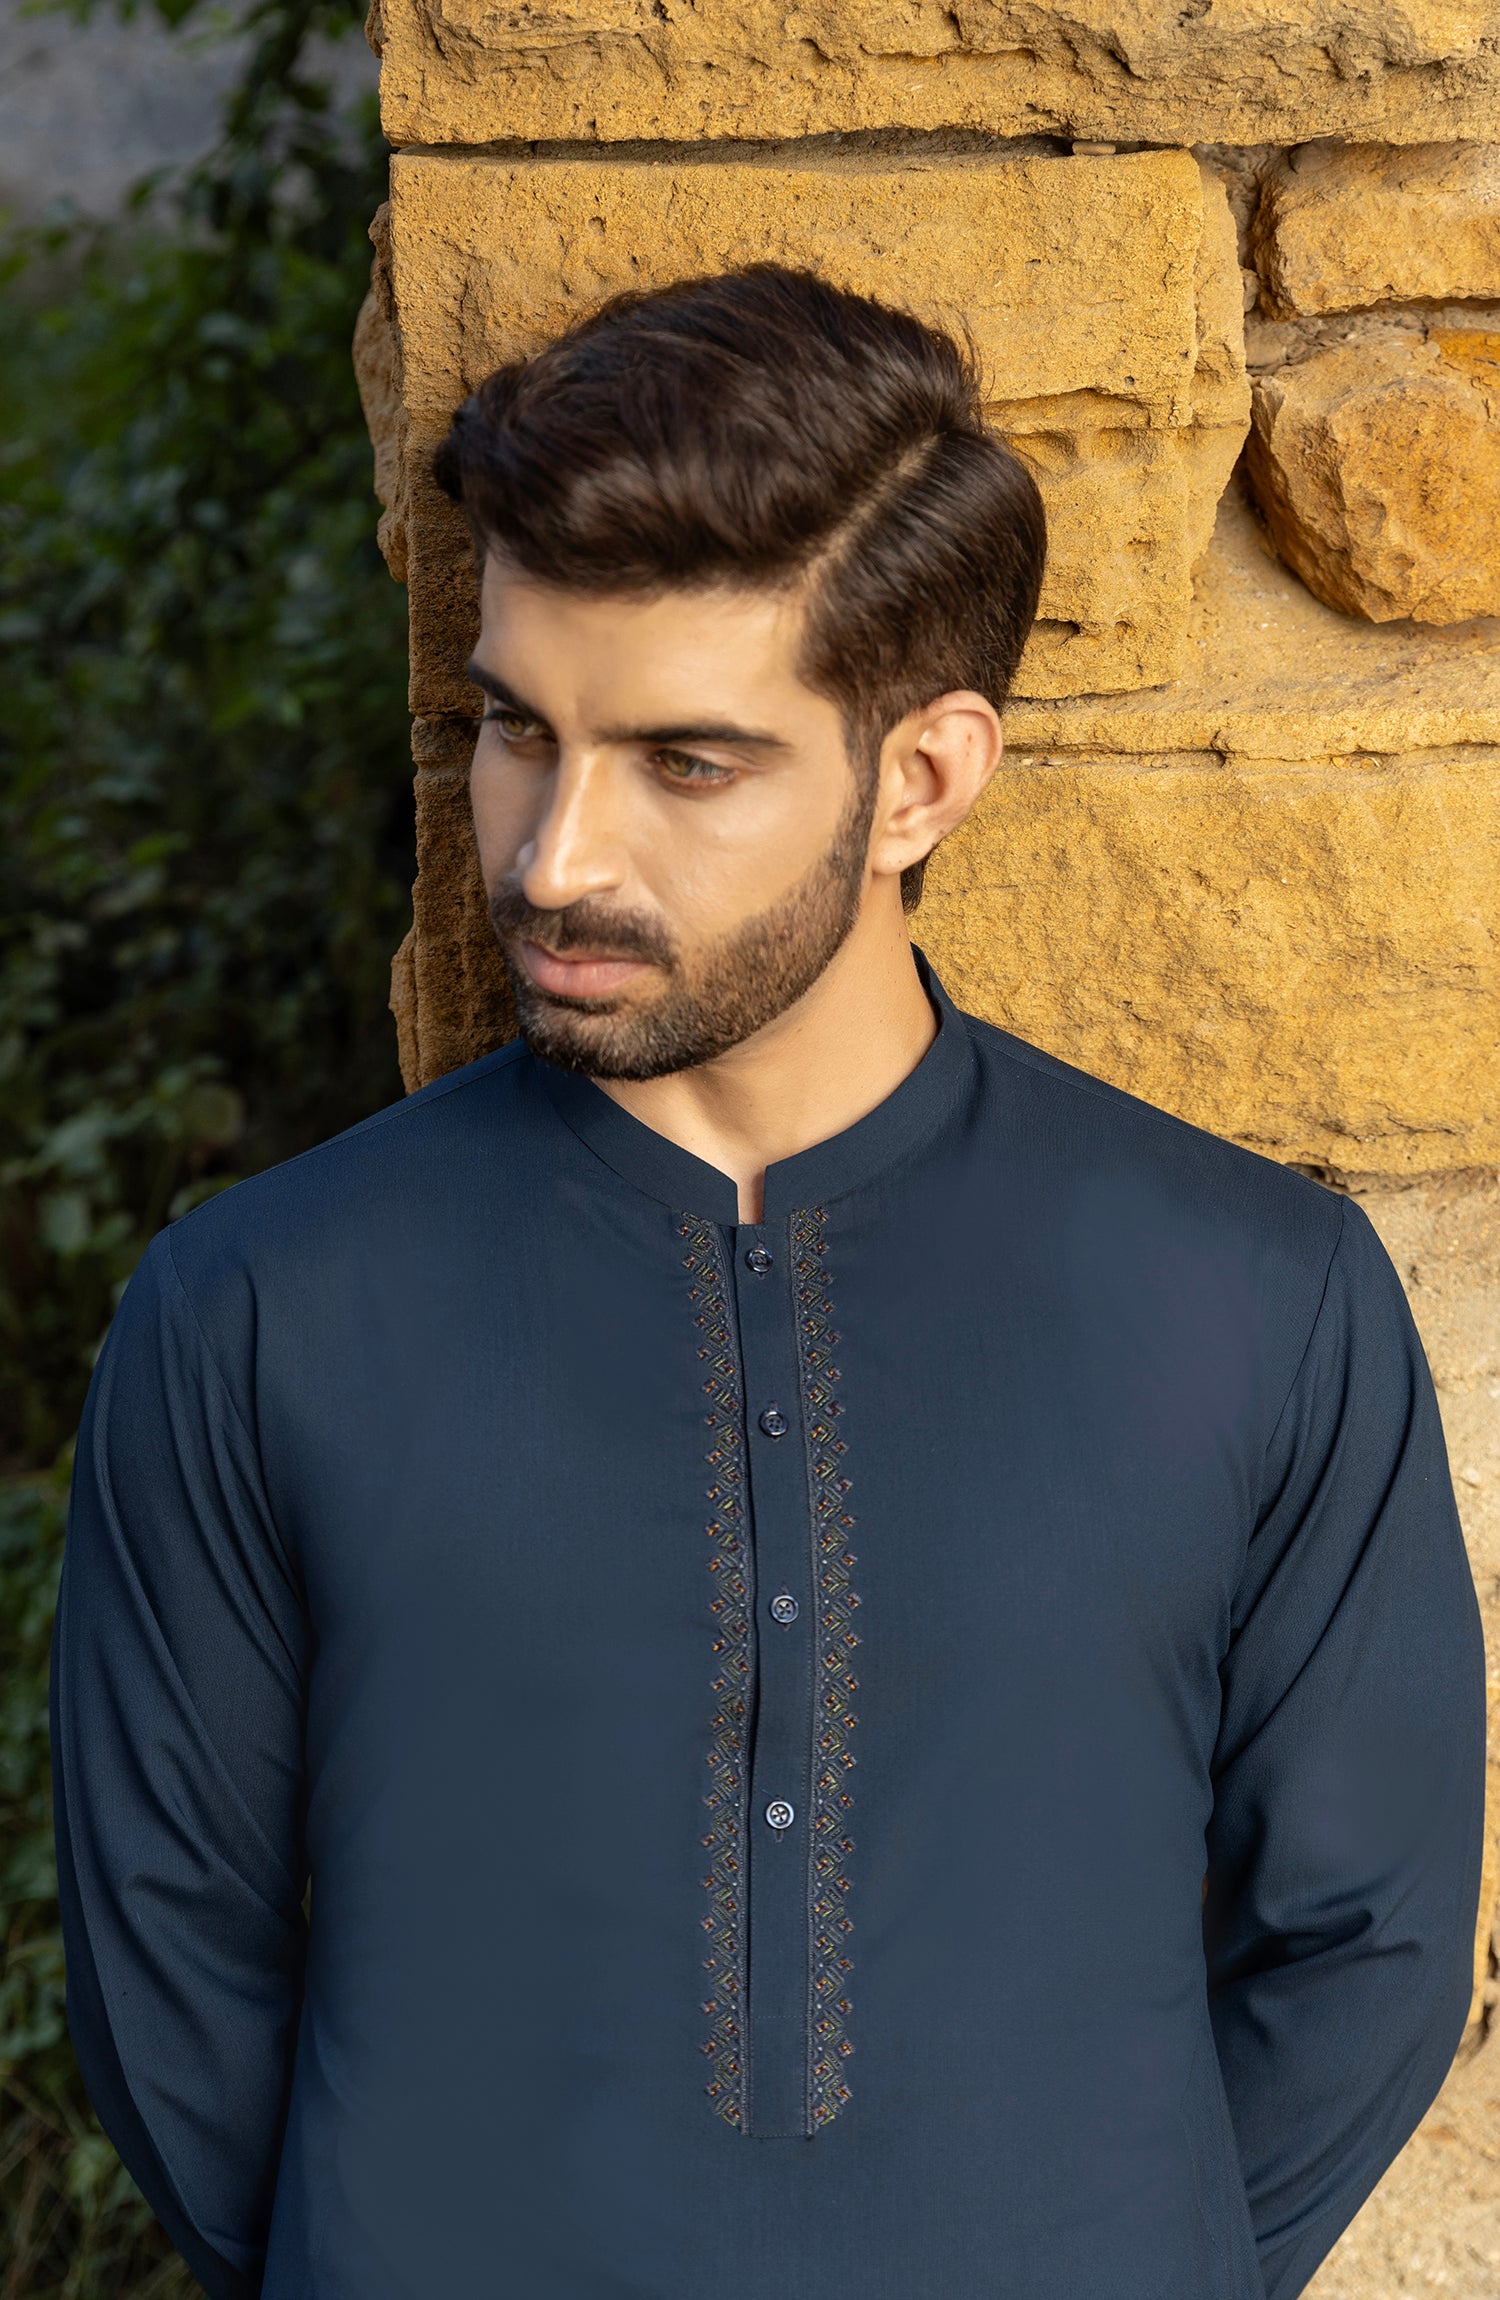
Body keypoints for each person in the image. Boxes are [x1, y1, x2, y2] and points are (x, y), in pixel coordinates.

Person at [51, 262, 1486, 2300]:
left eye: (688, 762)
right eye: (520, 730)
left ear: (923, 779)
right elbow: (168, 1976)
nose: (556, 855)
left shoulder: (1258, 1299)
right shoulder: (253, 1315)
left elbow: (1368, 1944)